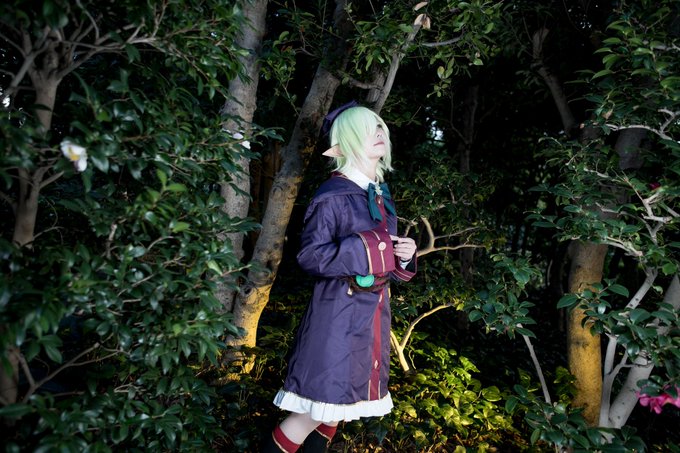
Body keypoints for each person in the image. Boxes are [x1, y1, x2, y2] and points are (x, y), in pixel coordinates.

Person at [263, 104, 417, 453]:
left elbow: (381, 261)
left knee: (337, 410)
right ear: (346, 142)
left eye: (380, 126)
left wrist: (404, 254)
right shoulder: (332, 195)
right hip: (337, 317)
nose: (379, 132)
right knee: (314, 411)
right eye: (368, 129)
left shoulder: (379, 194)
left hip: (371, 317)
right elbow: (311, 256)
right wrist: (367, 247)